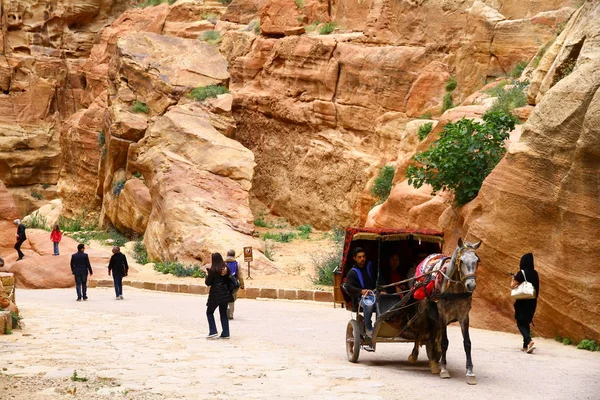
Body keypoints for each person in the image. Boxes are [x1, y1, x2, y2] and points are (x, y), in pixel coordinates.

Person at [511, 253, 540, 354]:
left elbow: (512, 286)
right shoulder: (535, 273)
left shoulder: (521, 273)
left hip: (522, 301)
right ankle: (525, 346)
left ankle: (529, 341)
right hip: (532, 301)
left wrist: (513, 278)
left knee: (520, 323)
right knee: (526, 322)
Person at [345, 247, 376, 336]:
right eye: (359, 257)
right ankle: (368, 328)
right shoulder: (352, 272)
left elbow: (379, 280)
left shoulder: (371, 268)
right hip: (361, 298)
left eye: (363, 256)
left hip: (375, 294)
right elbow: (348, 287)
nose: (362, 259)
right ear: (355, 258)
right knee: (369, 304)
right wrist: (361, 291)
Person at [205, 253, 234, 339]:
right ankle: (226, 332)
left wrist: (207, 275)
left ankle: (213, 331)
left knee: (209, 312)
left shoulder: (213, 270)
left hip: (215, 295)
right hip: (225, 295)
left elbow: (208, 283)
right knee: (223, 313)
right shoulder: (226, 269)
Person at [225, 249, 244, 320]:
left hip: (224, 284)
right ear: (234, 255)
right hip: (233, 285)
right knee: (232, 299)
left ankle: (224, 312)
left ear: (227, 254)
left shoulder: (223, 263)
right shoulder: (237, 264)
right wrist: (242, 284)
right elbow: (240, 275)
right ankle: (230, 314)